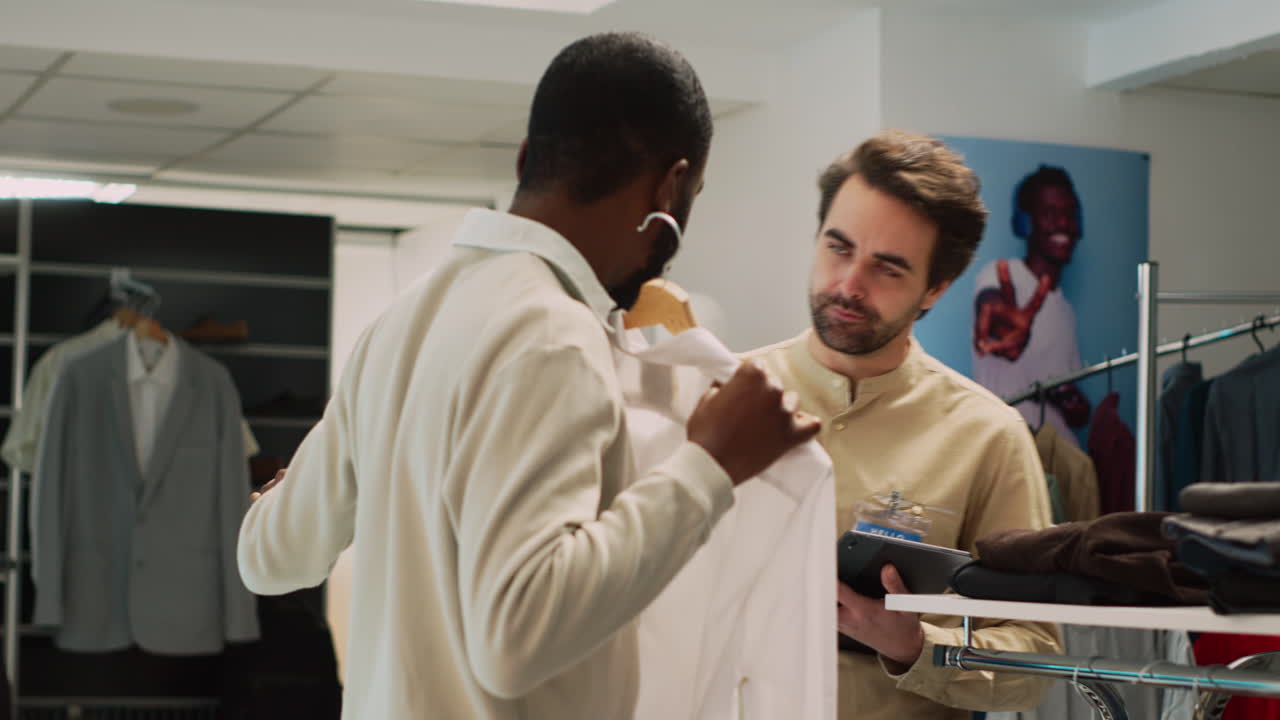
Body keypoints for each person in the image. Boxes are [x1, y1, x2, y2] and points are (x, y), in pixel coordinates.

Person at [236, 32, 819, 720]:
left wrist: (305, 485)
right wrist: (707, 468)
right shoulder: (555, 338)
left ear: (524, 159)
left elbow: (270, 557)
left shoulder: (402, 322)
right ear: (669, 187)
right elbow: (514, 636)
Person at [746, 131, 1062, 720]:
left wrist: (918, 648)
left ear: (934, 290)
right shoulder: (718, 395)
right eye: (838, 248)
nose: (849, 285)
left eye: (887, 269)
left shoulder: (988, 436)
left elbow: (1036, 656)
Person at [972, 165, 1091, 443]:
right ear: (1024, 223)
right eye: (1049, 213)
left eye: (1069, 214)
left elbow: (1071, 406)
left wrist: (1076, 406)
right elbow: (990, 304)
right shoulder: (1000, 275)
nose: (1063, 223)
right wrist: (998, 323)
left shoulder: (1064, 309)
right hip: (1010, 448)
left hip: (1056, 455)